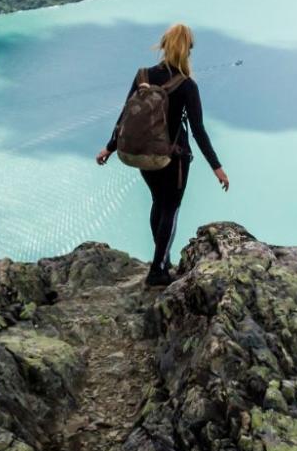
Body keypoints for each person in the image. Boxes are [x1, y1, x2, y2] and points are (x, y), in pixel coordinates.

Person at [96, 22, 230, 286]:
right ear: (187, 50)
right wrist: (217, 167)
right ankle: (157, 270)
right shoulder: (187, 85)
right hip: (173, 158)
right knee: (170, 208)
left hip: (144, 155)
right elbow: (198, 131)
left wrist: (109, 148)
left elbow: (125, 116)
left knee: (158, 203)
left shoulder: (143, 76)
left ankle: (162, 260)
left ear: (164, 46)